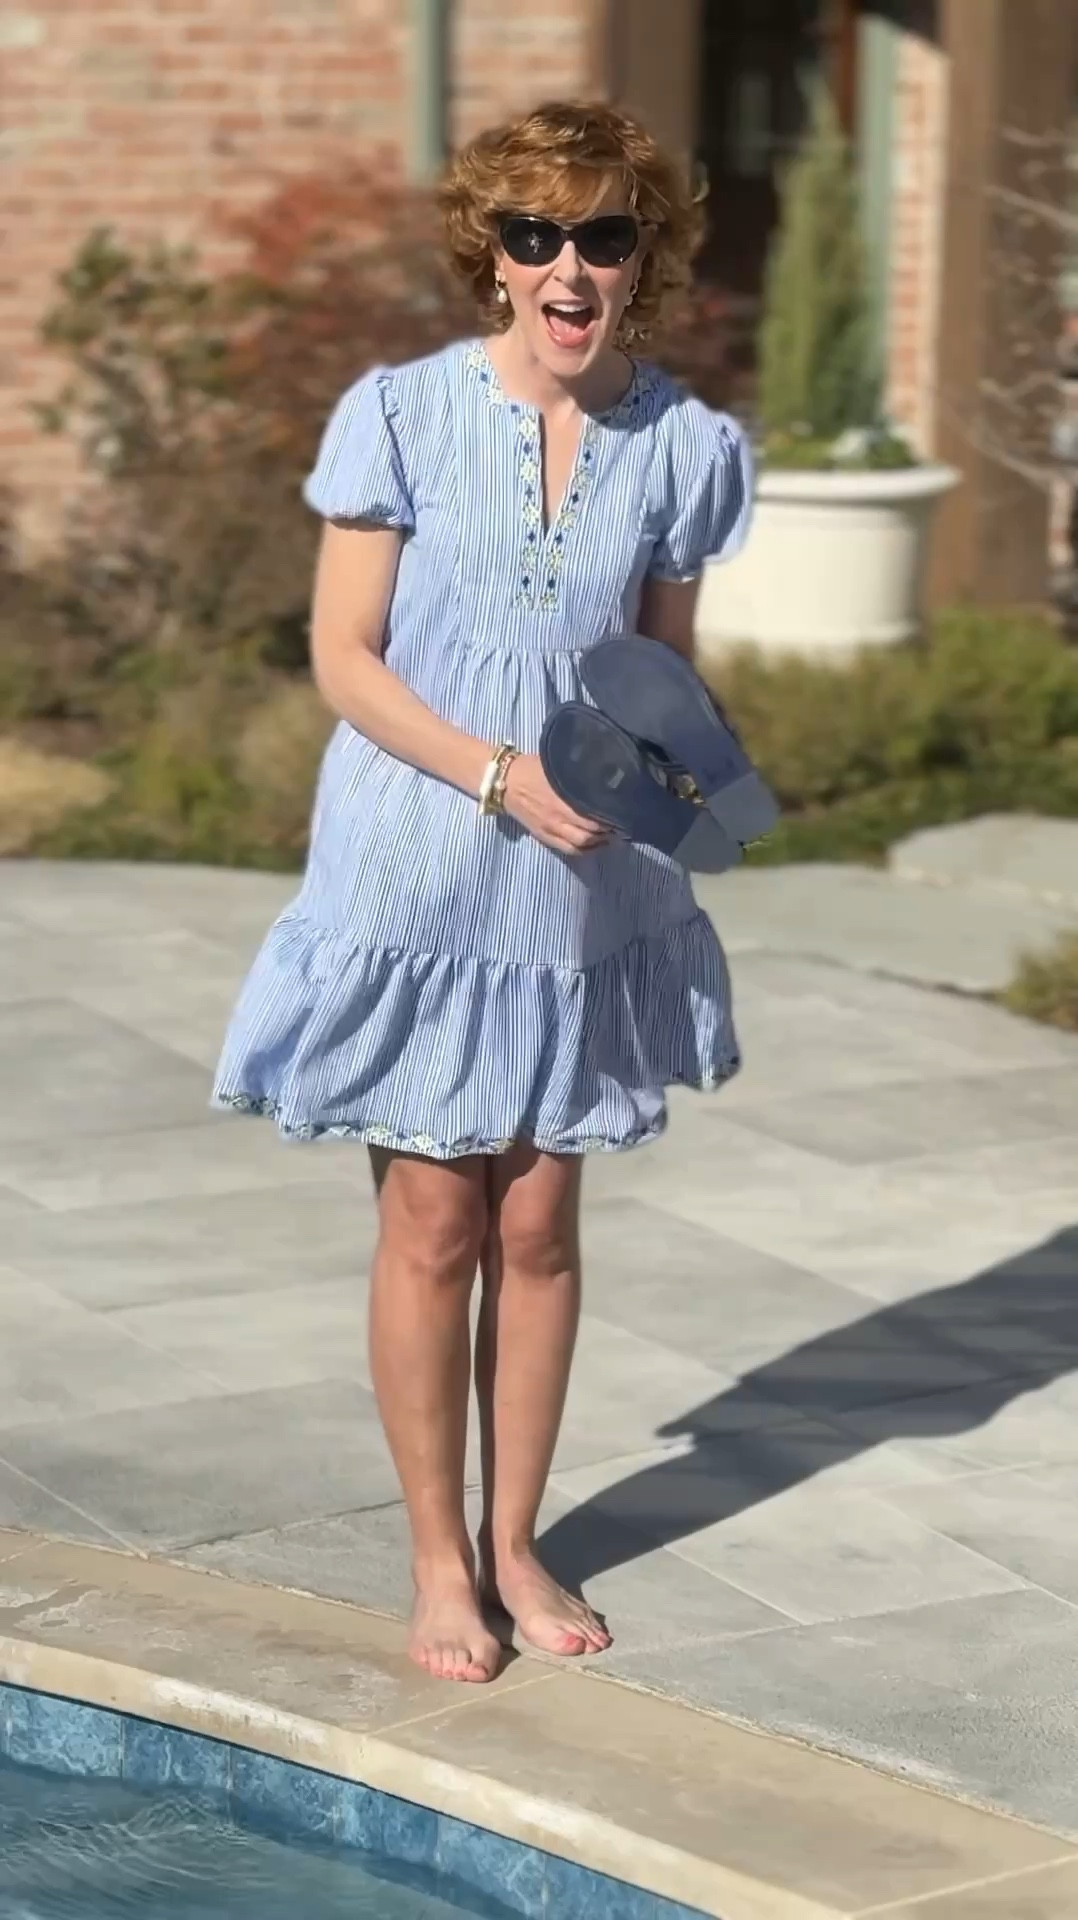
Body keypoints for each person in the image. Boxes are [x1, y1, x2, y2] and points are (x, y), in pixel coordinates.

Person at [213, 99, 753, 1685]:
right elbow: (342, 659)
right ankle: (437, 1563)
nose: (569, 266)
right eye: (537, 236)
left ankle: (519, 1542)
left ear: (643, 254)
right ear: (493, 255)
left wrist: (685, 785)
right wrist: (497, 775)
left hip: (582, 884)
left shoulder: (685, 447)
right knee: (434, 1220)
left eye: (603, 233)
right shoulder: (395, 416)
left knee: (540, 1220)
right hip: (423, 861)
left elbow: (664, 668)